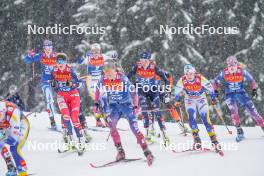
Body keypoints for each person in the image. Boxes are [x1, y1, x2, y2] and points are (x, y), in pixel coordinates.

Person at [94, 60, 154, 165]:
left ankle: (147, 152)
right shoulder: (103, 79)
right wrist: (96, 103)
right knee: (111, 126)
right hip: (114, 106)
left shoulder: (122, 78)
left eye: (110, 72)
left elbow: (134, 93)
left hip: (126, 105)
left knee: (134, 128)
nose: (108, 75)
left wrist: (135, 106)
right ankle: (120, 151)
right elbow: (98, 91)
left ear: (114, 70)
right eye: (106, 72)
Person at [214, 56, 264, 142]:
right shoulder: (224, 73)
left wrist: (254, 89)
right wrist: (215, 91)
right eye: (229, 65)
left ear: (237, 64)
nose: (232, 67)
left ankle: (263, 126)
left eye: (233, 65)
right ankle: (239, 131)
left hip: (241, 93)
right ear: (227, 66)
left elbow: (251, 80)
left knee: (252, 111)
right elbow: (215, 81)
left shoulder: (241, 71)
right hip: (229, 95)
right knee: (234, 112)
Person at [174, 64, 222, 153]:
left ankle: (214, 140)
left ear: (194, 72)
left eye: (190, 73)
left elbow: (210, 88)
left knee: (205, 119)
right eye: (187, 74)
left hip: (201, 98)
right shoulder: (182, 80)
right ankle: (197, 139)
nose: (188, 76)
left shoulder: (200, 78)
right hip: (189, 99)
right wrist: (176, 100)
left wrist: (213, 98)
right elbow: (177, 91)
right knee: (191, 117)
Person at [127, 51, 170, 145]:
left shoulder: (153, 67)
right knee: (144, 110)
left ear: (149, 61)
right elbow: (128, 76)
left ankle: (164, 134)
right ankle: (147, 133)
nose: (144, 62)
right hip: (141, 90)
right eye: (142, 60)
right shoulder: (137, 67)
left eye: (146, 60)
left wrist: (167, 93)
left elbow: (166, 79)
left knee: (157, 111)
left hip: (153, 90)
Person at [51, 53, 91, 150]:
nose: (60, 63)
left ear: (66, 62)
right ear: (56, 63)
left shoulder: (70, 70)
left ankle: (81, 141)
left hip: (73, 95)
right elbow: (53, 84)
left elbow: (77, 83)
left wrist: (71, 83)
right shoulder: (54, 71)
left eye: (62, 61)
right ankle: (71, 141)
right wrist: (55, 86)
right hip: (61, 96)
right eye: (58, 61)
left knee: (74, 117)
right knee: (65, 116)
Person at [24, 39, 57, 129]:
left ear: (52, 48)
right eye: (46, 47)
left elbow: (64, 64)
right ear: (44, 48)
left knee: (61, 99)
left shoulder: (56, 56)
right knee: (49, 100)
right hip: (45, 82)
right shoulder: (41, 56)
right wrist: (29, 55)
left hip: (56, 82)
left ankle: (67, 121)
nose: (48, 49)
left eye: (50, 47)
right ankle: (52, 121)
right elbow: (27, 60)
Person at [77, 43, 110, 127]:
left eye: (97, 51)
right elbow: (80, 63)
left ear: (100, 51)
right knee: (97, 101)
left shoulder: (103, 56)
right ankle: (98, 120)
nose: (95, 53)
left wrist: (115, 57)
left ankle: (107, 120)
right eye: (93, 52)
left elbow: (112, 59)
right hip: (91, 81)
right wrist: (80, 60)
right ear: (91, 52)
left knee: (105, 100)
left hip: (100, 80)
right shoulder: (88, 58)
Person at [0, 101, 30, 176]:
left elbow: (14, 140)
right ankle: (11, 168)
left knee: (15, 148)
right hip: (8, 126)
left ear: (3, 112)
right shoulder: (2, 112)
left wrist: (3, 137)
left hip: (21, 125)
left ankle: (22, 172)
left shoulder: (13, 113)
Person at [156, 70, 189, 134]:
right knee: (151, 107)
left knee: (169, 104)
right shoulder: (143, 71)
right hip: (151, 91)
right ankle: (151, 128)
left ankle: (181, 125)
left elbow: (169, 76)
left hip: (160, 90)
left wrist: (168, 90)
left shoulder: (158, 71)